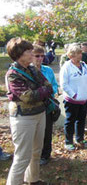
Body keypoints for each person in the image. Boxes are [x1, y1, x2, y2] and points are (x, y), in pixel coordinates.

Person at [6, 37, 53, 185]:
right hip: (23, 118)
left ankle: (33, 180)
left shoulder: (32, 68)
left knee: (36, 152)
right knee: (22, 157)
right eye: (28, 51)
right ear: (19, 54)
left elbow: (49, 85)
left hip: (39, 113)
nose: (32, 53)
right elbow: (28, 97)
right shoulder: (13, 74)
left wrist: (42, 90)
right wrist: (43, 90)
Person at [60, 44, 87, 151]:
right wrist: (74, 95)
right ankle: (68, 142)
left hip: (84, 98)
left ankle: (80, 138)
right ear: (70, 56)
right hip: (72, 99)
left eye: (80, 53)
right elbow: (64, 84)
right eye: (76, 54)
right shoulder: (66, 67)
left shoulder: (84, 65)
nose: (79, 56)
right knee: (70, 120)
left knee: (81, 119)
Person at [32, 45, 59, 166]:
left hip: (47, 104)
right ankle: (34, 155)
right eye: (37, 56)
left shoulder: (48, 70)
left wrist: (50, 91)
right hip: (33, 106)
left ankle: (45, 154)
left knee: (47, 131)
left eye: (42, 56)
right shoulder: (27, 71)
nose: (40, 58)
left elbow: (54, 85)